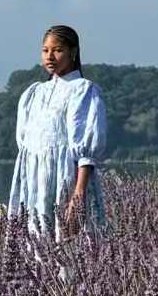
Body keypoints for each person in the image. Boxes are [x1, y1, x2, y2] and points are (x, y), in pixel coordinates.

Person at [10, 24, 109, 240]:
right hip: (36, 186)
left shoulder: (83, 90)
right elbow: (26, 149)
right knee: (37, 253)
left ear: (73, 52)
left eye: (57, 50)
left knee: (70, 251)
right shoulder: (34, 93)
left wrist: (78, 195)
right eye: (45, 50)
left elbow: (86, 153)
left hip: (67, 181)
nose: (50, 56)